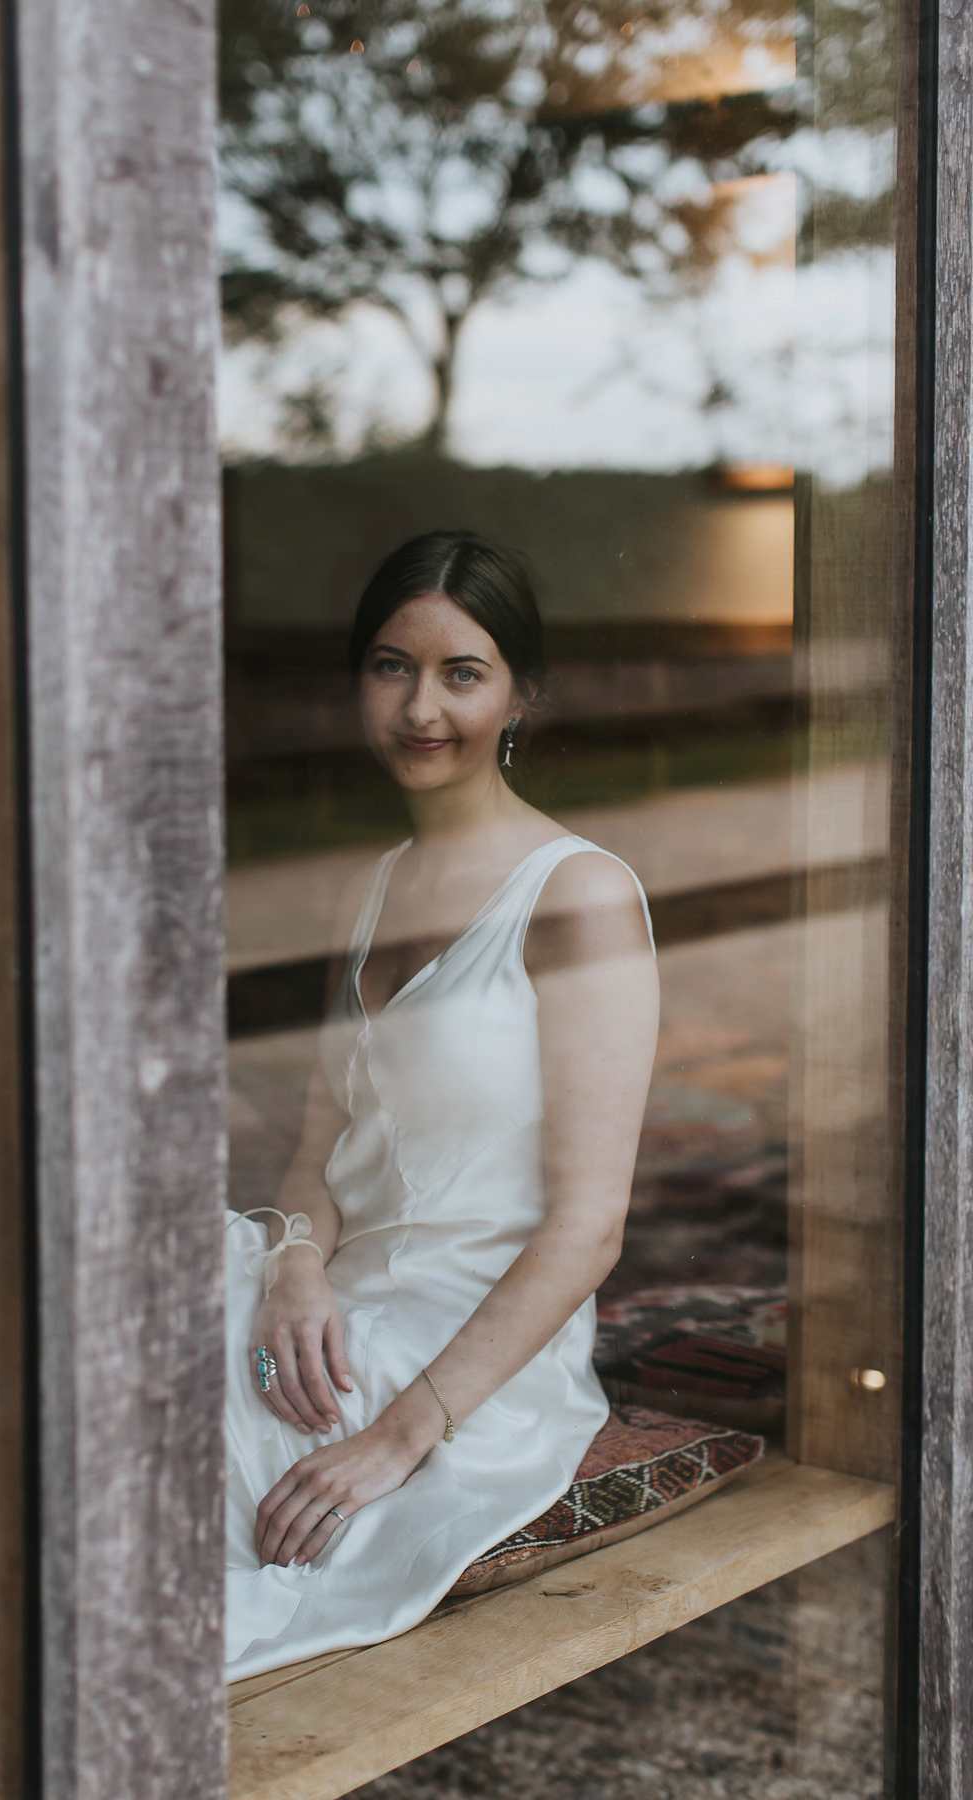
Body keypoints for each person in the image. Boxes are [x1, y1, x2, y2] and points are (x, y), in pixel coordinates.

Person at [225, 530, 659, 1679]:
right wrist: (294, 1267)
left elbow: (589, 1230)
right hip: (329, 1313)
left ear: (522, 695)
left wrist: (399, 1436)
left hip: (468, 1368)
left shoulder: (581, 894)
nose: (421, 707)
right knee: (27, 1317)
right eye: (390, 666)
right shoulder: (369, 887)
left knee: (122, 1428)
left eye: (462, 672)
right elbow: (320, 1152)